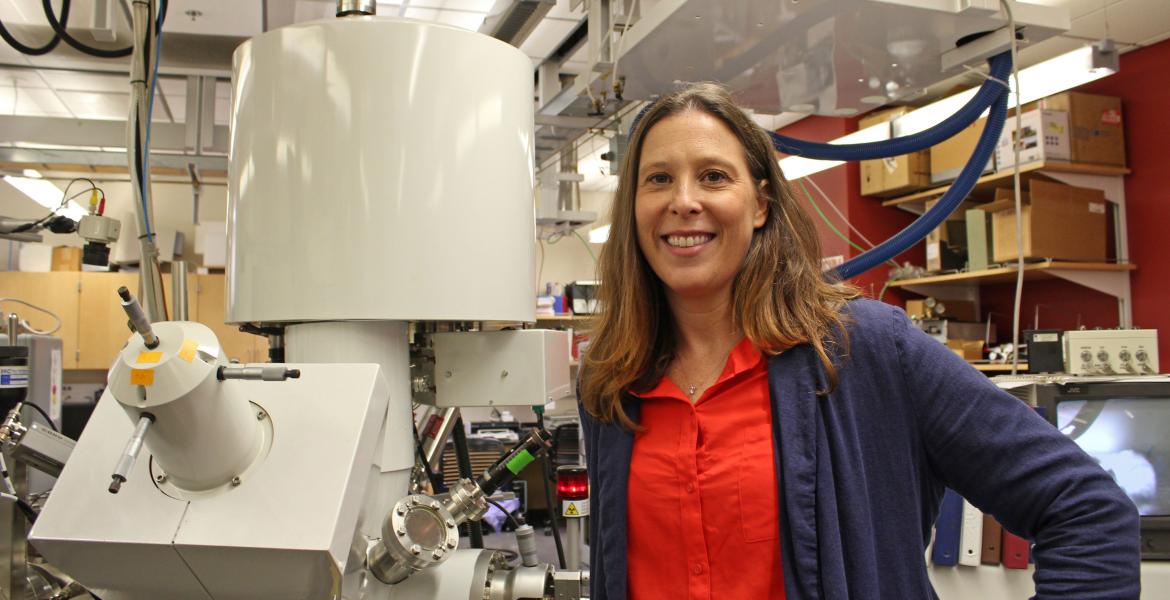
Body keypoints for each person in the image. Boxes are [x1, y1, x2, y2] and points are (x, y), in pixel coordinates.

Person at [577, 82, 1140, 599]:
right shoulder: (610, 379)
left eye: (714, 176)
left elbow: (1086, 510)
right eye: (658, 179)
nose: (683, 201)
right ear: (633, 209)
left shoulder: (869, 350)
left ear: (761, 205)